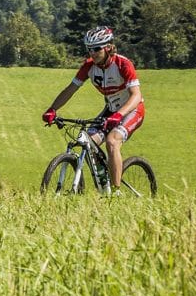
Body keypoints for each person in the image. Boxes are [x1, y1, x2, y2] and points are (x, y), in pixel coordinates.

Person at [42, 26, 144, 193]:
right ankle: (105, 186)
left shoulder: (123, 64)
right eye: (89, 49)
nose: (93, 53)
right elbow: (70, 89)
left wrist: (119, 114)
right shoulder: (89, 66)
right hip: (110, 110)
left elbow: (136, 96)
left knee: (112, 141)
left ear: (109, 47)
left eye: (97, 49)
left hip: (132, 110)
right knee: (87, 141)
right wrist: (52, 109)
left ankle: (115, 194)